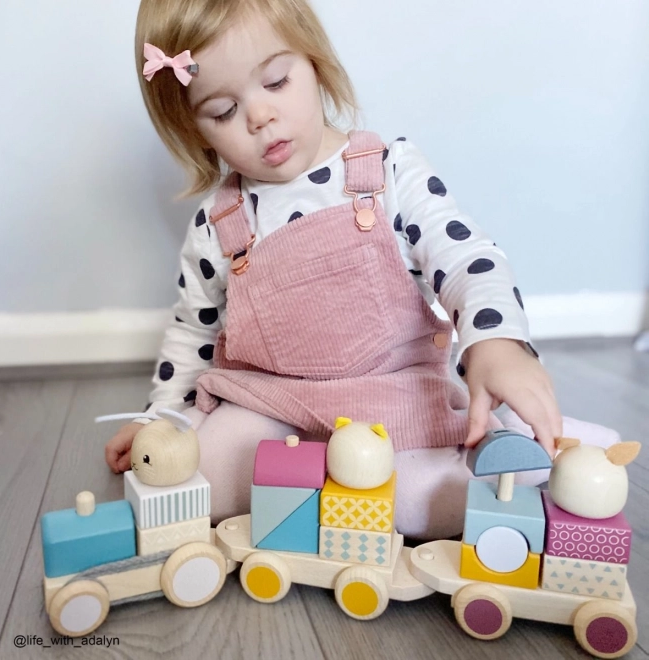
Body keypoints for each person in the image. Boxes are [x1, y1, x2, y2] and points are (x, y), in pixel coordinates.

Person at [105, 0, 619, 539]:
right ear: (195, 130)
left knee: (423, 500)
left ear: (315, 63)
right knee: (196, 478)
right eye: (223, 111)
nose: (259, 117)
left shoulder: (389, 172)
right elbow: (194, 333)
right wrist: (162, 420)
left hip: (389, 400)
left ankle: (533, 450)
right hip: (272, 405)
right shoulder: (218, 223)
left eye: (276, 82)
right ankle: (330, 493)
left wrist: (498, 343)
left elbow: (468, 259)